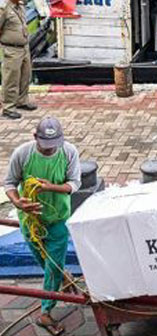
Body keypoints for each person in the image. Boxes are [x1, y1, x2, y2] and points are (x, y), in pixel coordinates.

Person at [3, 117, 81, 335]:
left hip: (57, 221)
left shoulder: (69, 152)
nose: (49, 151)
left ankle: (45, 312)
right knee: (45, 262)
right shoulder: (23, 154)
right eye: (45, 146)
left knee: (52, 269)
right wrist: (18, 201)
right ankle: (64, 275)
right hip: (30, 222)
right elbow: (9, 183)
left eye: (53, 146)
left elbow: (74, 184)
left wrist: (50, 187)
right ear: (35, 137)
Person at [1, 0, 36, 119]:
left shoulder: (20, 6)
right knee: (11, 79)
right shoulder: (3, 9)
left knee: (25, 76)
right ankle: (8, 107)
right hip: (12, 49)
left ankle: (22, 101)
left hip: (24, 48)